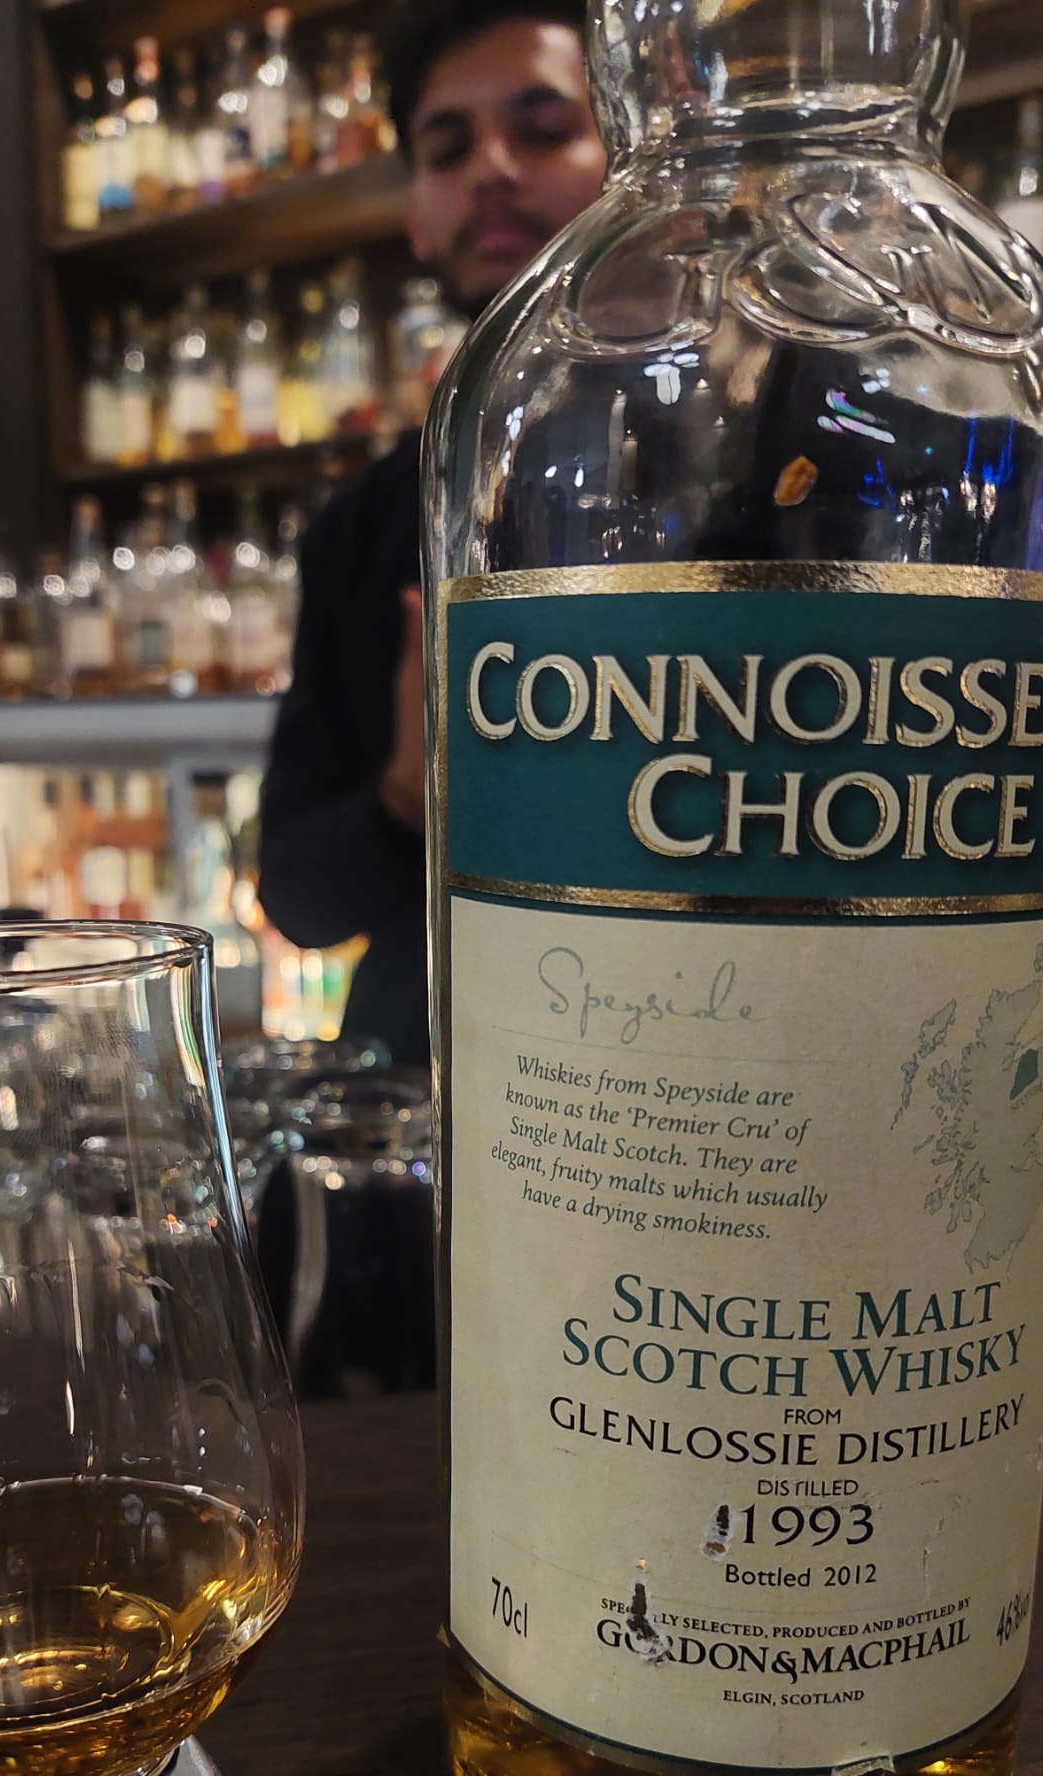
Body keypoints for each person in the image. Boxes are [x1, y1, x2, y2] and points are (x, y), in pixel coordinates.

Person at [257, 2, 607, 1067]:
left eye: (543, 130)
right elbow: (297, 896)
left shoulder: (777, 461)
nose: (492, 170)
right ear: (415, 216)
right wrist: (408, 794)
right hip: (426, 1081)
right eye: (447, 151)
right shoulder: (365, 525)